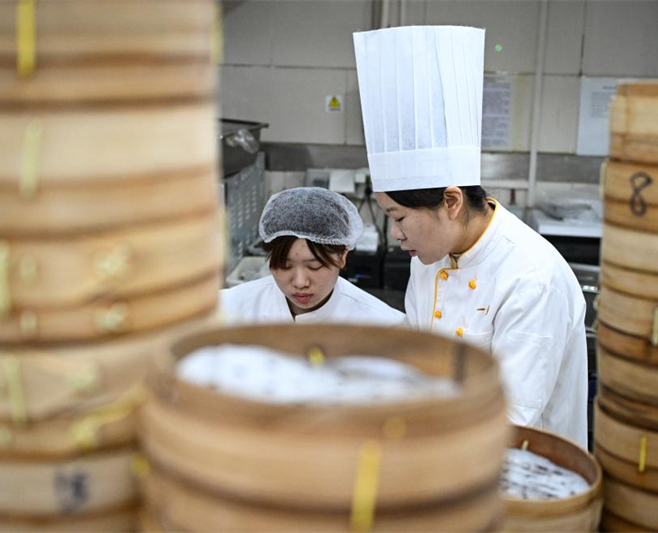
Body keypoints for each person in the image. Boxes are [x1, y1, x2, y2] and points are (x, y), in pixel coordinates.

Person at [354, 26, 588, 446]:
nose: (396, 234)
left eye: (400, 217)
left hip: (522, 477)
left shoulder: (531, 278)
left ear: (451, 201)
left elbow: (512, 417)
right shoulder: (429, 255)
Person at [220, 187, 405, 326]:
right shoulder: (228, 308)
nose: (300, 283)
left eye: (314, 266)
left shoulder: (381, 325)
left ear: (342, 256)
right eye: (285, 265)